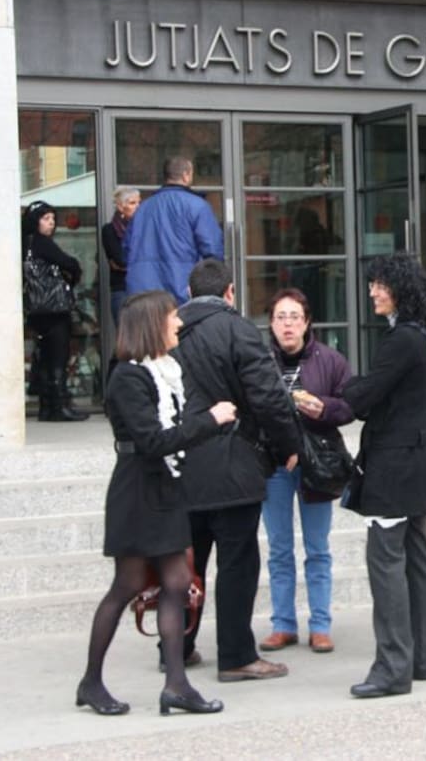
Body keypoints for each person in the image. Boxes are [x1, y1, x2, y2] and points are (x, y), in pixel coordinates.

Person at [77, 290, 236, 717]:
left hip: (165, 488)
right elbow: (153, 441)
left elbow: (172, 434)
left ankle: (176, 684)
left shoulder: (166, 371)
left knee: (178, 582)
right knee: (127, 585)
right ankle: (91, 682)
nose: (179, 323)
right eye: (172, 317)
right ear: (151, 324)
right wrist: (211, 420)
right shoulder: (127, 378)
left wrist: (211, 422)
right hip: (138, 492)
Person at [170, 259, 303, 683]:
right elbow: (268, 397)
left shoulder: (168, 331)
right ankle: (235, 656)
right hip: (232, 464)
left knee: (184, 563)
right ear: (230, 292)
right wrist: (289, 445)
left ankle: (176, 648)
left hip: (179, 463)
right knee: (237, 565)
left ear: (189, 293)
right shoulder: (238, 330)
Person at [340, 252, 426, 699]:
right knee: (417, 563)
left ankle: (392, 668)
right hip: (416, 465)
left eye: (379, 285)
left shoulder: (402, 339)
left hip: (394, 467)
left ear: (399, 288)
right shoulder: (422, 335)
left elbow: (366, 396)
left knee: (386, 567)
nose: (372, 292)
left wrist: (341, 389)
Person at [260, 287, 354, 655]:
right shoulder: (258, 360)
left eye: (294, 317)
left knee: (318, 548)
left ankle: (320, 625)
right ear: (271, 323)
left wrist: (324, 408)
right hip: (275, 464)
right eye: (281, 317)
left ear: (307, 322)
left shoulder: (329, 360)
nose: (288, 325)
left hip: (318, 465)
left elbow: (350, 405)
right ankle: (283, 624)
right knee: (279, 549)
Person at [22, 200, 89, 422]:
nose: (51, 223)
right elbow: (69, 263)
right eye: (46, 219)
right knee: (59, 356)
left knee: (44, 356)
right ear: (35, 221)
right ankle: (59, 406)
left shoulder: (24, 244)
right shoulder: (43, 243)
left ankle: (46, 406)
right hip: (54, 309)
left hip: (35, 310)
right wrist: (73, 274)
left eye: (52, 219)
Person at [124, 156, 224, 304]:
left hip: (143, 294)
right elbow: (212, 251)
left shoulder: (142, 208)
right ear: (186, 175)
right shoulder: (198, 206)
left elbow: (127, 250)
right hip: (182, 291)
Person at [101, 186, 140, 324]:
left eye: (139, 202)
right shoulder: (110, 230)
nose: (138, 206)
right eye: (132, 203)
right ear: (120, 206)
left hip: (144, 289)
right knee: (126, 333)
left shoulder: (145, 228)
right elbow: (120, 260)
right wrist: (142, 261)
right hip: (122, 289)